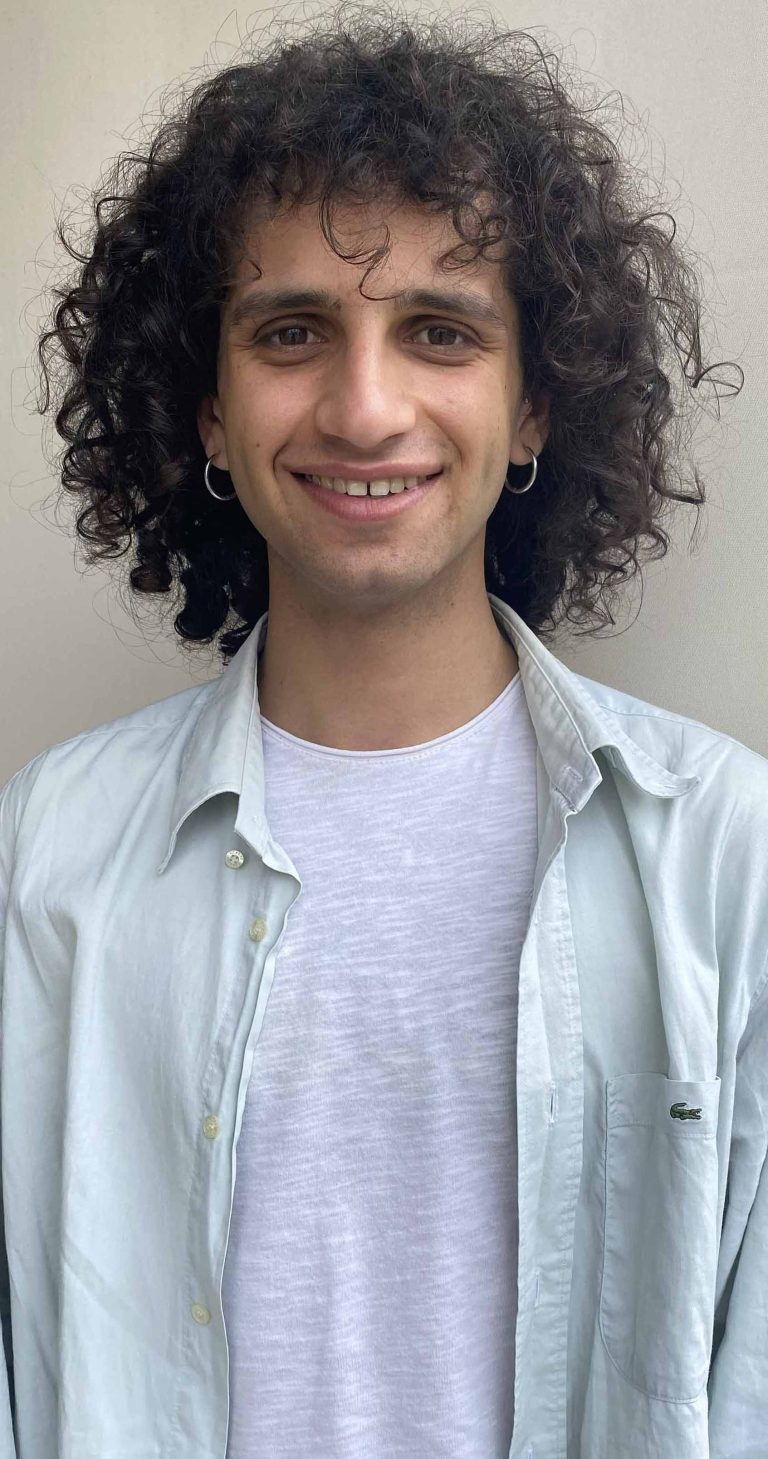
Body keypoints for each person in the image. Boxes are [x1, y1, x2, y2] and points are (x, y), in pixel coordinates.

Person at [1, 8, 764, 1458]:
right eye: (291, 333)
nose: (363, 408)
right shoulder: (47, 860)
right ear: (208, 410)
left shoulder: (728, 857)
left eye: (440, 331)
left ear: (535, 406)